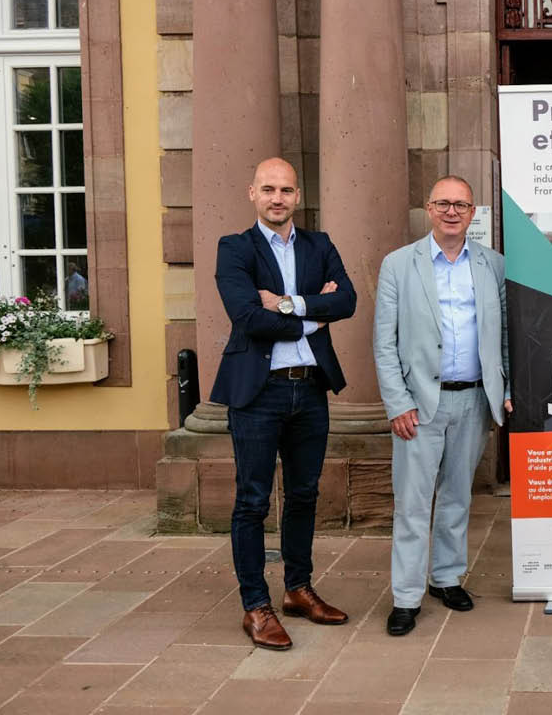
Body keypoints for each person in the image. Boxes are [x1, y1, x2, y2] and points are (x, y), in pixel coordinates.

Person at [212, 157, 357, 650]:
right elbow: (248, 317)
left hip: (310, 388)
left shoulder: (320, 245)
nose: (278, 198)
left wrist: (289, 303)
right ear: (252, 193)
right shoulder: (235, 248)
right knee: (252, 501)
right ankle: (256, 605)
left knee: (304, 495)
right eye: (269, 189)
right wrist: (315, 313)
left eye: (287, 190)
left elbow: (348, 301)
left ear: (298, 196)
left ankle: (297, 588)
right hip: (259, 392)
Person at [373, 175, 511, 636]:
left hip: (473, 399)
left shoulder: (493, 265)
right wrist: (397, 403)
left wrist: (505, 388)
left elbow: (504, 335)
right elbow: (384, 342)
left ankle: (446, 578)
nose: (452, 212)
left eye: (461, 205)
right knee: (412, 505)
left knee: (457, 498)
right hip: (418, 405)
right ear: (429, 209)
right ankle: (406, 597)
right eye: (444, 204)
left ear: (473, 213)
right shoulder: (399, 265)